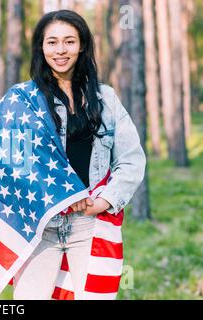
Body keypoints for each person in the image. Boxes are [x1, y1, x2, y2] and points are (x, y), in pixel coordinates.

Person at [12, 10, 146, 299]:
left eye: (69, 41)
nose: (60, 50)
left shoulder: (105, 98)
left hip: (90, 226)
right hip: (40, 228)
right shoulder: (23, 101)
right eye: (52, 42)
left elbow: (131, 159)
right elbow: (7, 162)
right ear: (41, 47)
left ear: (82, 45)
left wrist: (106, 201)